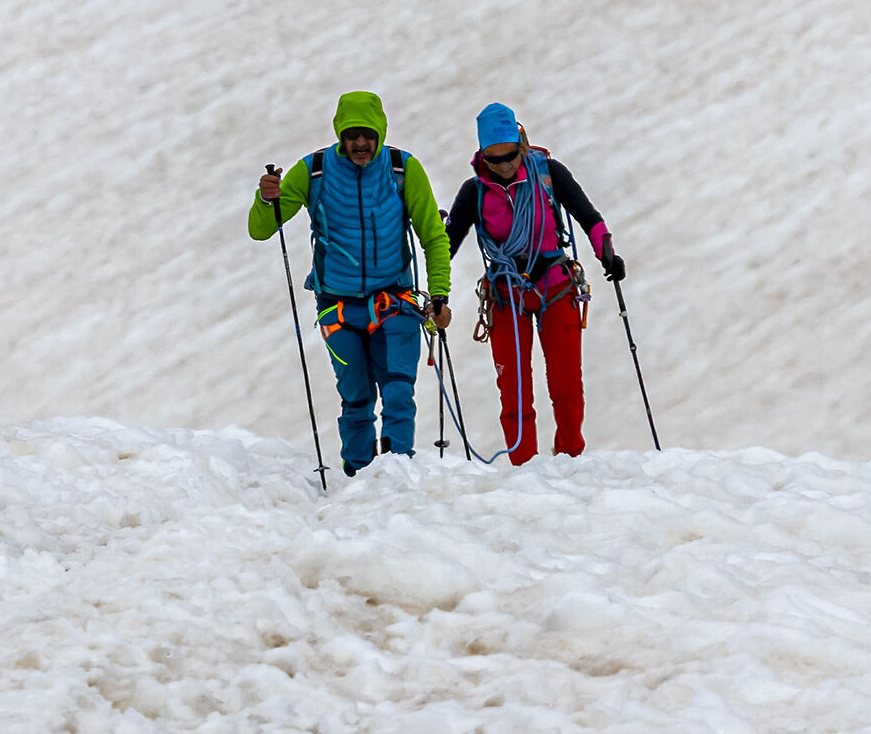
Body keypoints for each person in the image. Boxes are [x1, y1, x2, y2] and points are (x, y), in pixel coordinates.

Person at [250, 92, 453, 476]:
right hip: (337, 306)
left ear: (380, 132)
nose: (361, 143)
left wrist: (439, 294)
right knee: (356, 397)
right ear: (340, 134)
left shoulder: (402, 169)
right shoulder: (314, 171)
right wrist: (266, 199)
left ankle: (396, 472)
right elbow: (261, 230)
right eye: (352, 135)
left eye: (368, 135)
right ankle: (358, 475)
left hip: (395, 301)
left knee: (397, 391)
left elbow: (433, 236)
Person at [443, 103, 625, 463]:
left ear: (521, 145)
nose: (506, 166)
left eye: (511, 156)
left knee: (567, 386)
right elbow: (446, 246)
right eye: (495, 160)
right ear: (482, 156)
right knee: (514, 390)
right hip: (505, 293)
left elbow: (589, 216)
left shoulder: (549, 173)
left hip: (556, 285)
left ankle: (570, 457)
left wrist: (607, 252)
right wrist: (435, 290)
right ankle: (523, 468)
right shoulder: (474, 192)